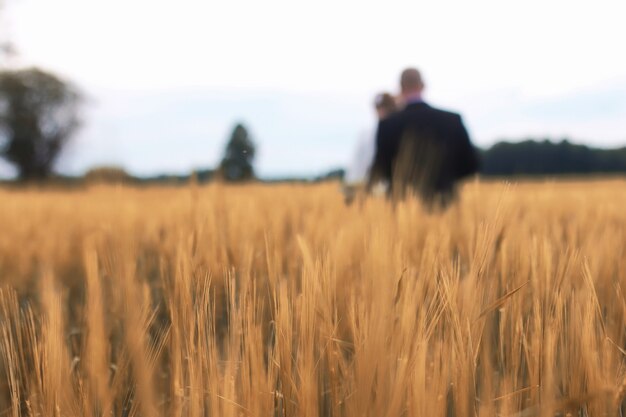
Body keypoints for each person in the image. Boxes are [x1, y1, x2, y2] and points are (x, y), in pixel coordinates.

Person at [368, 68, 479, 208]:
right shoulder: (452, 120)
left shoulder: (387, 125)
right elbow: (470, 165)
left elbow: (381, 169)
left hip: (402, 207)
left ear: (400, 88)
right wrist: (443, 179)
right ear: (423, 85)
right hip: (445, 205)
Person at [343, 92, 398, 204]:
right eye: (379, 108)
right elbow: (356, 164)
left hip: (386, 187)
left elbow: (355, 165)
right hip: (373, 187)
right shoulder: (366, 133)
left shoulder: (367, 133)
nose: (381, 111)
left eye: (384, 107)